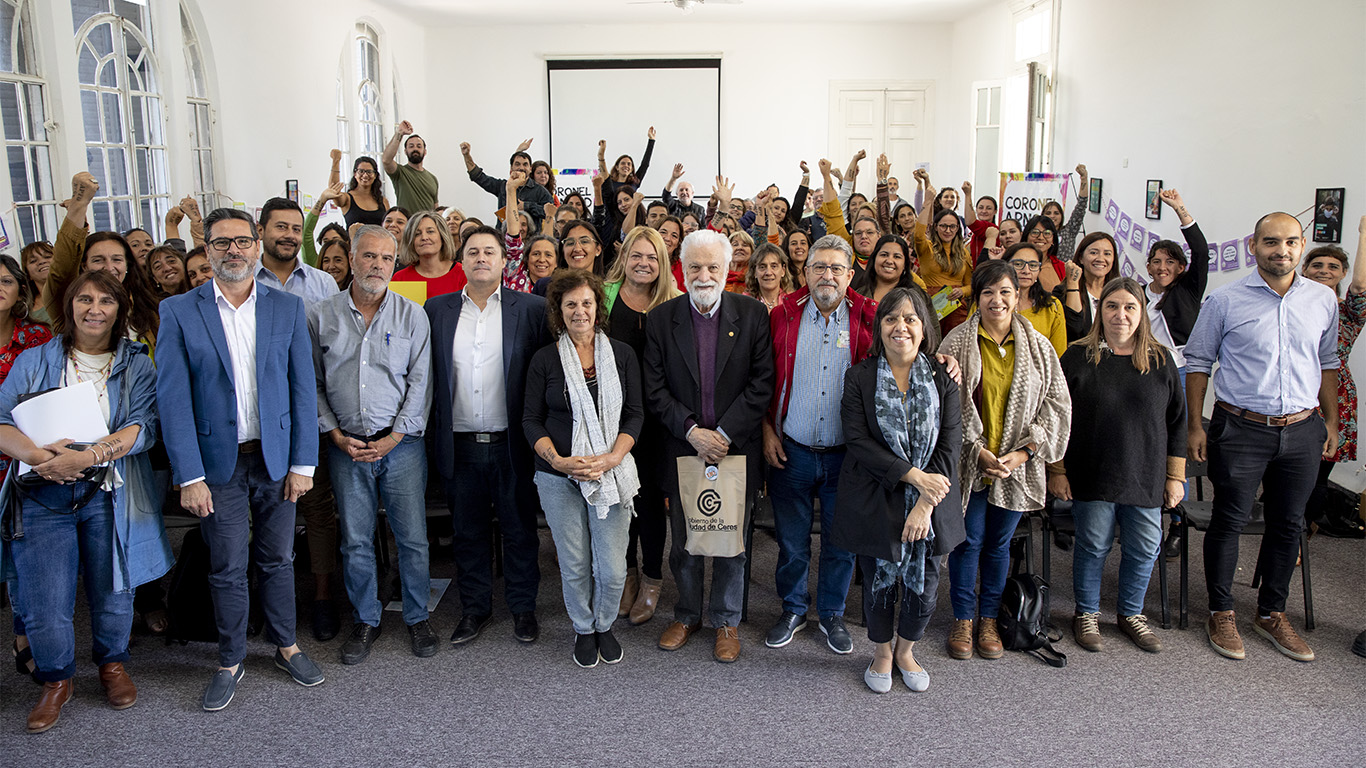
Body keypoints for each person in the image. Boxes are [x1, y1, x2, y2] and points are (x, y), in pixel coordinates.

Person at [156, 207, 323, 711]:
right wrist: (189, 474)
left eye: (243, 241)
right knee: (226, 565)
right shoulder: (180, 311)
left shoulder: (285, 308)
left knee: (279, 558)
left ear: (257, 246)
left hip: (275, 459)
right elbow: (173, 399)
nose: (234, 250)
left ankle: (286, 645)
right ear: (206, 250)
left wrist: (303, 464)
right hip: (215, 467)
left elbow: (302, 389)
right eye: (222, 242)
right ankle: (230, 659)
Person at [0, 269, 171, 733]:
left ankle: (112, 665)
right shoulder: (34, 360)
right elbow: (1, 421)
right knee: (45, 596)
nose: (95, 309)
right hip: (40, 492)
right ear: (69, 305)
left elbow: (144, 426)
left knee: (114, 586)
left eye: (106, 301)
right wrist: (40, 457)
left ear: (119, 310)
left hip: (109, 490)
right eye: (85, 299)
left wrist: (91, 456)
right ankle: (56, 680)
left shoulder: (136, 362)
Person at [1185, 212, 1339, 663]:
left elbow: (1327, 362)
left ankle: (1270, 611)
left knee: (1288, 523)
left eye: (1291, 242)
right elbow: (1198, 362)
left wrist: (1330, 422)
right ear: (1254, 245)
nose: (1282, 250)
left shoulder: (1321, 300)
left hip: (1303, 429)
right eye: (1271, 242)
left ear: (1303, 243)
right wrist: (1196, 425)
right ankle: (1221, 610)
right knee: (1229, 519)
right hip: (1241, 428)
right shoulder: (1225, 300)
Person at [645, 230, 774, 663]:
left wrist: (724, 434)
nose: (704, 275)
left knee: (732, 542)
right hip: (684, 448)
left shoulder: (753, 315)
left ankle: (726, 620)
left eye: (712, 267)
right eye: (695, 267)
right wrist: (691, 430)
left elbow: (762, 384)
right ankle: (686, 614)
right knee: (683, 540)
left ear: (726, 270)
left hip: (735, 449)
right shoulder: (661, 319)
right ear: (681, 269)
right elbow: (654, 388)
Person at [308, 225, 435, 664]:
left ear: (395, 262)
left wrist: (395, 436)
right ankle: (367, 617)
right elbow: (313, 383)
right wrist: (335, 434)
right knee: (355, 539)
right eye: (368, 256)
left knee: (413, 538)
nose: (377, 265)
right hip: (346, 447)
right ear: (352, 257)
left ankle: (418, 616)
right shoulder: (321, 314)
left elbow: (420, 383)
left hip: (401, 448)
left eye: (385, 258)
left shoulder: (411, 315)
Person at [937, 259, 1071, 660]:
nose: (997, 300)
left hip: (1017, 466)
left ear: (1018, 296)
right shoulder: (956, 342)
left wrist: (1023, 452)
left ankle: (990, 618)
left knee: (998, 545)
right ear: (977, 298)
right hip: (970, 462)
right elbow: (943, 407)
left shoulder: (1039, 347)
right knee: (968, 542)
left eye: (1005, 292)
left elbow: (1057, 405)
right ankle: (963, 618)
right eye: (988, 292)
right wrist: (976, 450)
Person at [832, 286, 961, 693]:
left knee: (925, 585)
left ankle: (906, 651)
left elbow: (950, 445)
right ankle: (882, 652)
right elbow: (858, 442)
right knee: (877, 582)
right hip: (877, 493)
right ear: (878, 326)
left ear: (925, 327)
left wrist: (924, 502)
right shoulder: (859, 376)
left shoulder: (944, 377)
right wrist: (913, 477)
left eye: (910, 319)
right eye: (890, 319)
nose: (900, 327)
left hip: (933, 502)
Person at [426, 225, 548, 647]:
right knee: (468, 532)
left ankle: (522, 608)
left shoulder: (531, 309)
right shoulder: (436, 310)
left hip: (511, 443)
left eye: (489, 252)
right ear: (461, 262)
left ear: (503, 261)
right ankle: (474, 609)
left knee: (519, 530)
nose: (481, 257)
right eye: (473, 251)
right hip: (459, 444)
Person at [1049, 277, 1185, 653]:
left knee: (1145, 548)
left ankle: (1130, 613)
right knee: (1093, 546)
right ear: (1100, 311)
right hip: (1091, 470)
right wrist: (1057, 470)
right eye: (1112, 306)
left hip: (1145, 473)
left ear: (1141, 313)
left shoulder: (1160, 360)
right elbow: (1057, 417)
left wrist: (1175, 476)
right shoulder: (1078, 356)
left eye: (1129, 307)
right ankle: (1087, 613)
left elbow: (1178, 421)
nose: (1120, 315)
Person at [762, 235, 875, 654]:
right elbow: (762, 379)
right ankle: (792, 608)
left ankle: (831, 613)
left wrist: (944, 359)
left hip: (846, 455)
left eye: (836, 268)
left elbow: (905, 353)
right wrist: (766, 429)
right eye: (818, 267)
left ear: (849, 275)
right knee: (792, 543)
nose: (827, 275)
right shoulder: (783, 316)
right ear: (805, 273)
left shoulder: (869, 317)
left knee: (840, 542)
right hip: (791, 449)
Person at [524, 270, 643, 666]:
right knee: (574, 563)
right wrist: (558, 460)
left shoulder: (622, 355)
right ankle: (583, 628)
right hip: (559, 476)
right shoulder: (545, 358)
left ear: (598, 308)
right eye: (570, 304)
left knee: (610, 569)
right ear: (559, 310)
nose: (579, 311)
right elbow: (531, 420)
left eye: (586, 303)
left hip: (611, 472)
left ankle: (605, 623)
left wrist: (611, 458)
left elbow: (635, 415)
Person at [250, 197, 340, 639]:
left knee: (318, 508)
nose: (287, 235)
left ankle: (322, 595)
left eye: (294, 228)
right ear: (261, 230)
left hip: (310, 409)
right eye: (279, 227)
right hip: (256, 415)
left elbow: (335, 352)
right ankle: (270, 602)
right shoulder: (242, 282)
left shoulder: (323, 284)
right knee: (264, 510)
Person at [601, 227, 679, 624]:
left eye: (652, 257)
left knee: (648, 505)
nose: (644, 263)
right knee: (618, 503)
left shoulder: (674, 301)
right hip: (614, 419)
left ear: (662, 263)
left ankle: (651, 580)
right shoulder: (605, 296)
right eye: (637, 256)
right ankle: (626, 576)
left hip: (660, 421)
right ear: (624, 257)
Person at [1139, 188, 1209, 557]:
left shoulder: (1188, 289)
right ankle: (1142, 506)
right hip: (1142, 372)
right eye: (1157, 261)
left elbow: (1201, 250)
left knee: (1175, 443)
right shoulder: (1135, 292)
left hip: (1179, 373)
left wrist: (1180, 209)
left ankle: (1177, 521)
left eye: (1171, 262)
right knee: (1146, 440)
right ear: (1148, 265)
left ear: (1180, 267)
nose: (1163, 267)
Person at [0, 253, 56, 684]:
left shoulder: (37, 337)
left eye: (5, 280)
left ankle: (24, 637)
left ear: (20, 289)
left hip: (26, 459)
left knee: (20, 556)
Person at [1302, 220, 1366, 534]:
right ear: (1304, 270)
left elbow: (1361, 286)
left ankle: (1303, 530)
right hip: (1293, 391)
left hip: (1334, 396)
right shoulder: (1291, 307)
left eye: (1333, 266)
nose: (1324, 270)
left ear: (1341, 273)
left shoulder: (1348, 313)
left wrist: (1363, 234)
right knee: (1286, 472)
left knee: (1317, 475)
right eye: (1317, 265)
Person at [460, 142, 553, 232]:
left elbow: (551, 213)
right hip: (503, 240)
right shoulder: (502, 186)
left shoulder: (541, 191)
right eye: (517, 164)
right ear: (511, 168)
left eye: (525, 164)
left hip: (530, 242)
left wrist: (527, 206)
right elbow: (478, 177)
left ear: (530, 169)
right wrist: (467, 156)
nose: (521, 167)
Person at [390, 211, 466, 305]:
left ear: (442, 236)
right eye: (417, 234)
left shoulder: (463, 274)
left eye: (430, 231)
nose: (424, 237)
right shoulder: (400, 278)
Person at [1057, 231, 1120, 343]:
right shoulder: (1062, 291)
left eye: (1107, 254)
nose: (1101, 258)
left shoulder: (1121, 293)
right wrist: (1073, 283)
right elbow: (1074, 328)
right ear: (1081, 258)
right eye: (1094, 253)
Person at [1005, 243, 1067, 356]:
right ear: (1005, 266)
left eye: (1033, 265)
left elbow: (1059, 355)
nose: (1026, 271)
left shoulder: (1052, 306)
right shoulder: (989, 302)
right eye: (1018, 264)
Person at [381, 121, 438, 214]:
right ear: (405, 151)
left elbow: (435, 207)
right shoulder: (399, 173)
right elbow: (386, 160)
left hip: (426, 225)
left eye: (419, 146)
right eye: (411, 146)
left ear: (425, 151)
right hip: (407, 225)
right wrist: (399, 134)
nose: (415, 149)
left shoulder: (432, 178)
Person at [328, 151, 389, 228]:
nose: (365, 175)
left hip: (380, 239)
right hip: (354, 239)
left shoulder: (383, 201)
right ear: (355, 174)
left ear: (375, 175)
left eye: (369, 172)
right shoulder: (347, 198)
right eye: (361, 171)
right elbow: (333, 191)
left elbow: (388, 226)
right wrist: (336, 161)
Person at [598, 128, 656, 207]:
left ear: (632, 169)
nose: (626, 166)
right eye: (623, 163)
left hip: (630, 217)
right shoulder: (610, 182)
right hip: (611, 218)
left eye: (629, 164)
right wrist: (601, 154)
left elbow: (645, 165)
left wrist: (651, 140)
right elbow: (603, 169)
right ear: (617, 167)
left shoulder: (634, 182)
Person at [745, 242, 793, 312]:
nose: (768, 273)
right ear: (755, 272)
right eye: (762, 267)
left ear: (783, 271)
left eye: (774, 266)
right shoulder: (745, 302)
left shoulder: (792, 302)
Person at [1022, 215, 1065, 291]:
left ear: (1053, 240)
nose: (1041, 237)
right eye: (1035, 232)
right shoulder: (1014, 263)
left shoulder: (1062, 268)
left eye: (1047, 233)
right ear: (1026, 236)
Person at [20, 241, 53, 322]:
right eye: (33, 261)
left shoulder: (75, 293)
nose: (42, 262)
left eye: (47, 256)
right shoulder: (25, 311)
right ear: (28, 275)